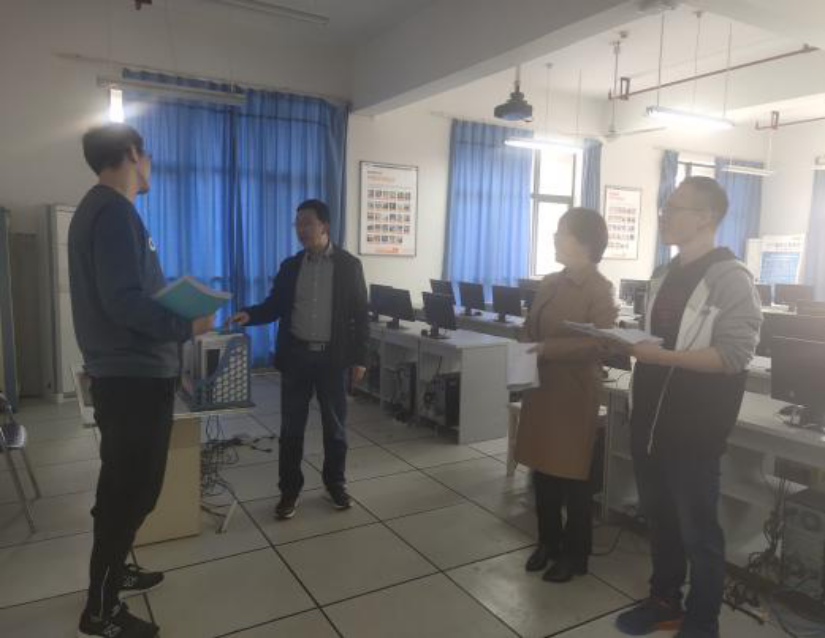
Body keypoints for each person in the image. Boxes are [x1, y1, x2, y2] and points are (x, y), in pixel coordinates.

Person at [69, 124, 214, 638]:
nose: (149, 165)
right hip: (133, 377)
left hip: (127, 374)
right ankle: (100, 610)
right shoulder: (113, 211)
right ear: (132, 153)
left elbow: (125, 294)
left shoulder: (100, 210)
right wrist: (187, 323)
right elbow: (124, 302)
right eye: (146, 155)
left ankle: (116, 572)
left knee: (123, 486)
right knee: (131, 493)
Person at [615, 177, 762, 638]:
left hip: (695, 427)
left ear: (705, 217)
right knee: (660, 520)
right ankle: (664, 602)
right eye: (665, 206)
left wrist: (662, 358)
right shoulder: (664, 274)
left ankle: (702, 620)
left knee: (699, 532)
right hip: (650, 421)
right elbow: (659, 341)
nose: (664, 215)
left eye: (674, 207)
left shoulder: (731, 278)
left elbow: (734, 356)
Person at [230, 199, 369, 519]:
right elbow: (275, 305)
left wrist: (360, 358)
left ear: (325, 226)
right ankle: (289, 491)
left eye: (307, 223)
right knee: (291, 428)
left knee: (335, 428)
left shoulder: (349, 266)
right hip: (297, 358)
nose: (301, 229)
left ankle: (335, 484)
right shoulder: (291, 266)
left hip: (333, 360)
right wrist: (249, 314)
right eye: (298, 224)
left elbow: (360, 315)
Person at [516, 207, 618, 583]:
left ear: (585, 243)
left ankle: (577, 554)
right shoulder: (550, 282)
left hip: (573, 394)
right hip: (541, 388)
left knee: (573, 477)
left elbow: (603, 342)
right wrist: (526, 342)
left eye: (562, 232)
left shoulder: (599, 288)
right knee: (542, 471)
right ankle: (548, 542)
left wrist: (548, 349)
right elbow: (532, 326)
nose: (555, 238)